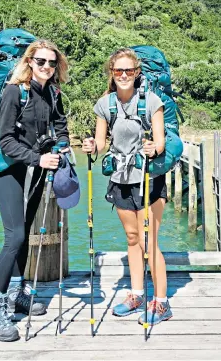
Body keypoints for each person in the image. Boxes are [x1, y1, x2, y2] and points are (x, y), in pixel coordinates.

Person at [0, 39, 70, 342]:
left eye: (51, 62)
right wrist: (38, 158)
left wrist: (62, 145)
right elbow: (6, 140)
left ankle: (18, 294)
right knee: (15, 237)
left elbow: (60, 127)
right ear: (30, 61)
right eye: (41, 61)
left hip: (36, 170)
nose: (46, 67)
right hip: (10, 170)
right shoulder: (13, 91)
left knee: (26, 238)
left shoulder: (53, 93)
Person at [82, 48, 172, 326]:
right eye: (118, 71)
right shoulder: (105, 105)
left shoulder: (151, 102)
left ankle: (161, 302)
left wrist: (153, 148)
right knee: (133, 239)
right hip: (120, 180)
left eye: (129, 71)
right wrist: (91, 146)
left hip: (147, 179)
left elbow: (160, 142)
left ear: (136, 73)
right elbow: (100, 142)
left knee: (149, 241)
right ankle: (136, 295)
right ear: (112, 73)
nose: (123, 75)